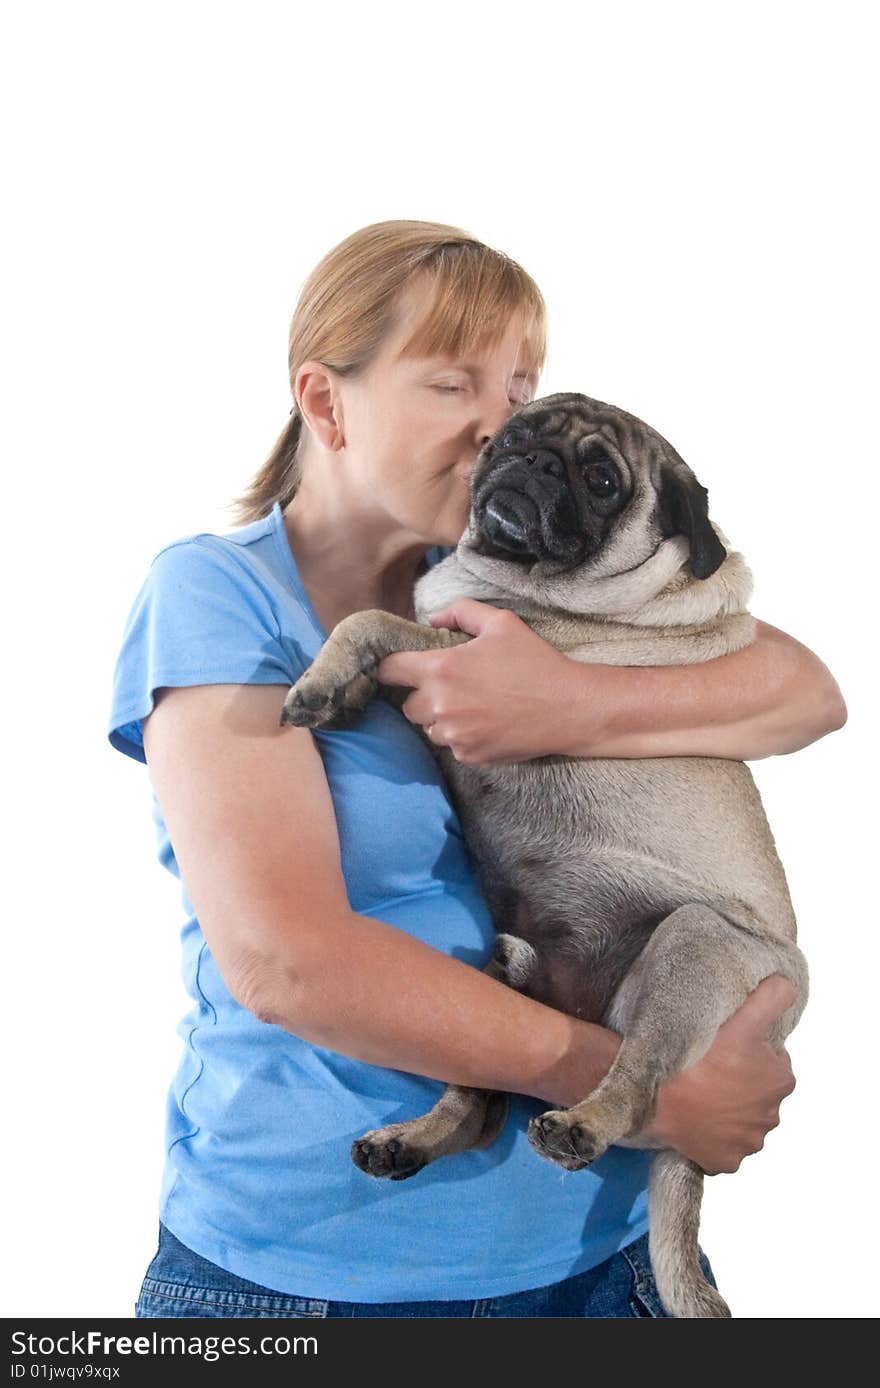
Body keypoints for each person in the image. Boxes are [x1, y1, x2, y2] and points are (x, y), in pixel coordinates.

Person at [108, 220, 846, 1319]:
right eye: (454, 383)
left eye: (520, 384)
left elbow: (804, 687)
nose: (501, 422)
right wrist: (646, 1093)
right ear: (324, 401)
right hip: (316, 1274)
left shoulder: (517, 589)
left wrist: (577, 700)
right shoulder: (217, 594)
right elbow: (286, 963)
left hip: (603, 1251)